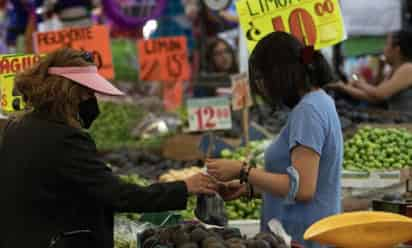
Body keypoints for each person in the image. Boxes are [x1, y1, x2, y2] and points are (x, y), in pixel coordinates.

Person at [0, 48, 218, 248]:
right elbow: (118, 194)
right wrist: (184, 187)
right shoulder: (65, 139)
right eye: (87, 93)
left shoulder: (15, 129)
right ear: (67, 92)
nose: (92, 100)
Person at [206, 32, 343, 248]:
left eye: (261, 77)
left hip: (303, 238)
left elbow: (303, 189)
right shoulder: (319, 102)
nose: (260, 86)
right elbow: (301, 180)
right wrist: (250, 188)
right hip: (306, 232)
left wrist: (244, 171)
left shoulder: (308, 111)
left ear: (279, 72)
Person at [327, 30, 412, 112]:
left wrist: (359, 82)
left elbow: (380, 93)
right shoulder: (394, 70)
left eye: (386, 44)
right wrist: (343, 87)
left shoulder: (408, 69)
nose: (383, 49)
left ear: (397, 49)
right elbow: (373, 98)